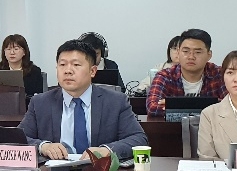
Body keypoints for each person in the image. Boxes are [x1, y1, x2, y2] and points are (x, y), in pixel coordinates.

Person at [20, 40, 148, 160]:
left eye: (76, 65)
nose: (68, 71)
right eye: (62, 64)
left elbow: (138, 138)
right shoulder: (40, 102)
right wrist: (43, 146)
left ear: (92, 71)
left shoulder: (115, 101)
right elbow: (18, 139)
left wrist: (107, 150)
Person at [146, 29, 226, 114]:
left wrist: (174, 105)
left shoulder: (220, 74)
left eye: (198, 52)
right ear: (178, 52)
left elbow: (232, 106)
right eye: (186, 51)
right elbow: (152, 107)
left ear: (209, 55)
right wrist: (211, 105)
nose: (191, 57)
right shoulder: (165, 76)